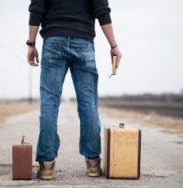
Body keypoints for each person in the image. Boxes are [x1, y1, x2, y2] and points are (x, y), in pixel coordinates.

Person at [27, 0, 122, 180]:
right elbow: (102, 11)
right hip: (83, 41)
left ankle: (46, 166)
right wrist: (113, 45)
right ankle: (93, 163)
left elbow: (36, 8)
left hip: (53, 41)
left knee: (49, 103)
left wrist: (31, 44)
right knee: (88, 104)